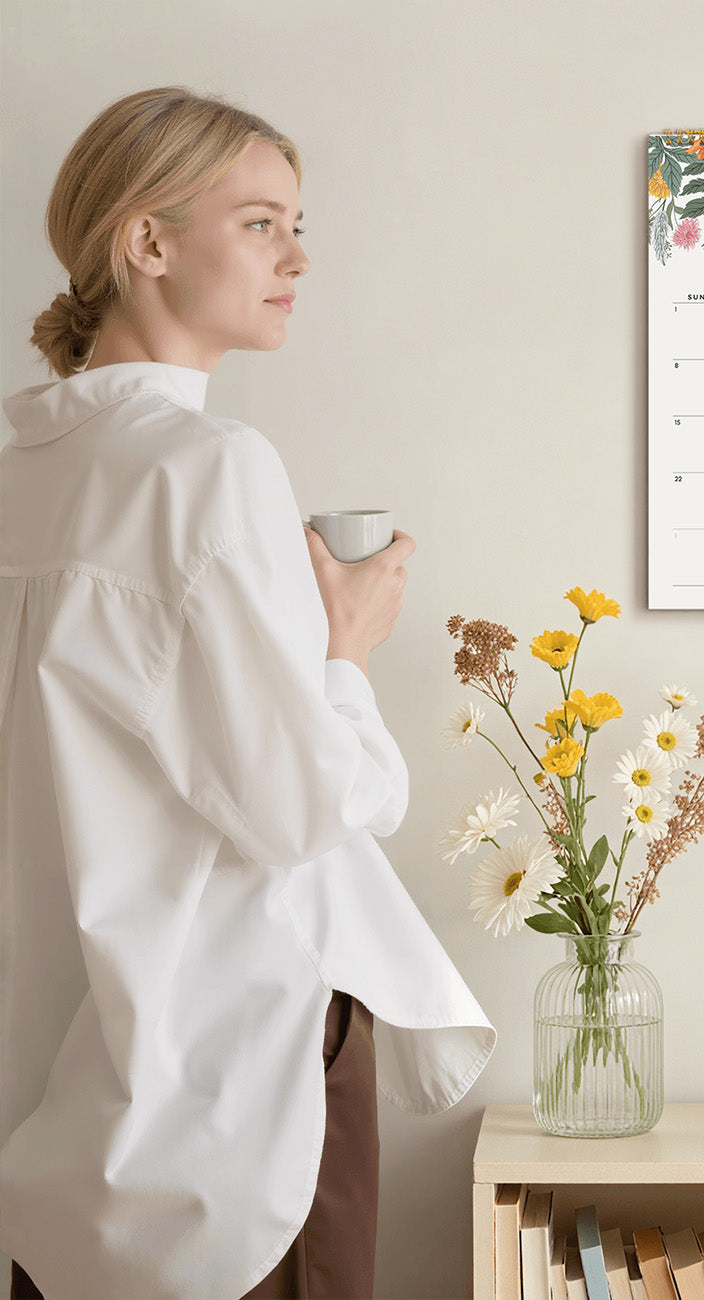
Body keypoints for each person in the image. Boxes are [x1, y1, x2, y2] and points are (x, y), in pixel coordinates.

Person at [0, 87, 495, 1299]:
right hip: (237, 1082)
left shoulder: (23, 472)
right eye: (264, 223)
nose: (299, 257)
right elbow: (303, 808)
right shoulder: (210, 468)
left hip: (61, 1111)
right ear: (147, 241)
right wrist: (349, 647)